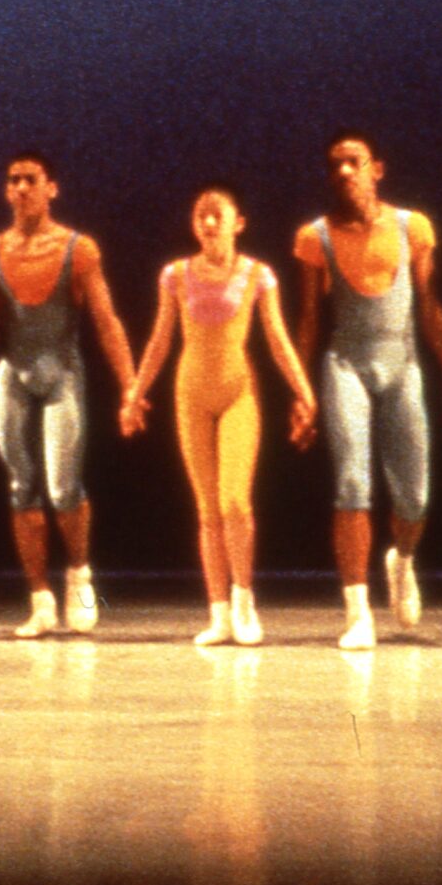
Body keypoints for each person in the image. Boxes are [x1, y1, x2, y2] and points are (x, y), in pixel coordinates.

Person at [291, 134, 442, 649]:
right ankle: (357, 612)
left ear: (378, 169)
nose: (345, 172)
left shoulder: (411, 227)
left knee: (415, 496)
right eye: (336, 165)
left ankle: (403, 560)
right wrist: (302, 394)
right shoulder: (315, 237)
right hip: (346, 363)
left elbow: (431, 309)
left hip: (404, 363)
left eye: (355, 162)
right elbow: (307, 322)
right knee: (352, 483)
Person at [122, 187, 316, 647]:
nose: (209, 223)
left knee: (235, 503)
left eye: (217, 215)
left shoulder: (257, 275)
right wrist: (134, 394)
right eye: (201, 215)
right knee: (207, 510)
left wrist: (305, 392)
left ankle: (245, 597)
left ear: (238, 222)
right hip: (190, 392)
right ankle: (218, 612)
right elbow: (158, 342)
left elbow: (278, 340)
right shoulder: (174, 275)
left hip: (237, 392)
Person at [0, 152, 138, 638]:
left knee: (64, 488)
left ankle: (81, 582)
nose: (20, 188)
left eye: (30, 180)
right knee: (20, 488)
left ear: (50, 188)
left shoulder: (77, 249)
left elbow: (107, 322)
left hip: (61, 371)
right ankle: (36, 599)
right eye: (13, 179)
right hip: (3, 373)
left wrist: (130, 386)